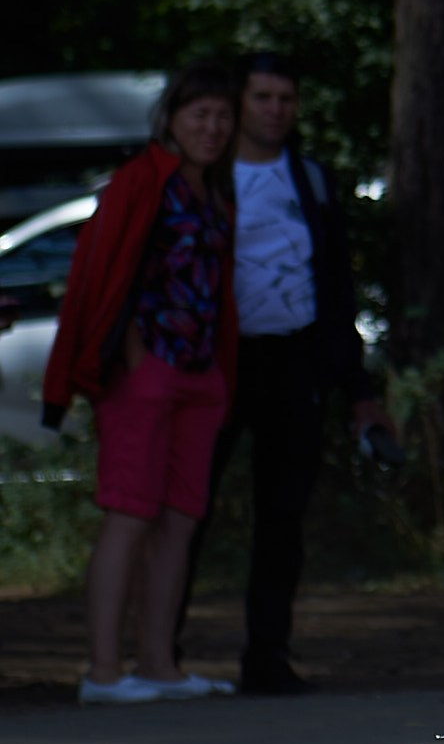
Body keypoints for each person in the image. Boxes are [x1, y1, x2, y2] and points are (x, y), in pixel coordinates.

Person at [43, 61, 243, 705]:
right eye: (199, 114)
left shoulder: (216, 191)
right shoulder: (140, 181)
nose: (212, 127)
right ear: (171, 120)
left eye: (222, 116)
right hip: (144, 374)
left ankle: (159, 664)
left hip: (200, 377)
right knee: (129, 515)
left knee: (180, 521)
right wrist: (131, 356)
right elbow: (100, 272)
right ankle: (103, 672)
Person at [200, 52, 393, 695]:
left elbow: (337, 286)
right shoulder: (207, 177)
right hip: (219, 364)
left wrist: (357, 390)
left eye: (286, 98)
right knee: (187, 508)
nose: (276, 110)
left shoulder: (309, 179)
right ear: (239, 102)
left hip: (295, 362)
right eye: (263, 97)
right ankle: (155, 653)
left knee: (282, 516)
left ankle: (267, 657)